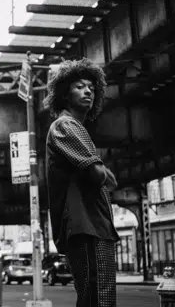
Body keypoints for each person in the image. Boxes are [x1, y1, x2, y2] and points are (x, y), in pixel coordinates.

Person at [44, 58, 119, 307]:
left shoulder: (77, 128)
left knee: (97, 297)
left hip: (94, 226)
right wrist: (99, 168)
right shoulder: (65, 126)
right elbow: (99, 176)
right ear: (64, 94)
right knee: (96, 298)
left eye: (91, 87)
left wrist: (99, 169)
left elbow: (111, 181)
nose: (88, 91)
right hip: (85, 226)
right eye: (79, 86)